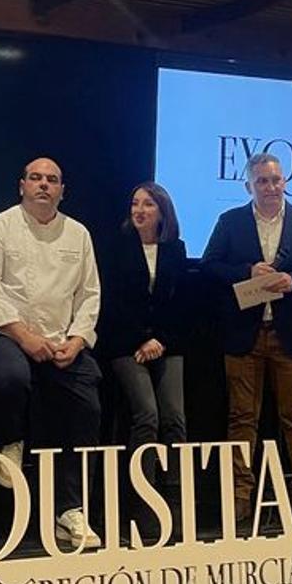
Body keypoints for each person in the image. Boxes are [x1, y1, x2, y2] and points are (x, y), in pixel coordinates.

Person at [0, 157, 102, 548]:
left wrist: (77, 339)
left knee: (88, 400)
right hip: (5, 334)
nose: (44, 185)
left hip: (61, 339)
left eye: (53, 180)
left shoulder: (78, 234)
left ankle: (70, 510)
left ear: (63, 190)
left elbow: (90, 294)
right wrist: (23, 335)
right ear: (22, 185)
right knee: (12, 377)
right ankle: (10, 442)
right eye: (36, 178)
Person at [201, 152, 292, 530]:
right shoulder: (230, 221)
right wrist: (247, 271)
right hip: (244, 334)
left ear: (285, 182)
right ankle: (240, 496)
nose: (271, 187)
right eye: (262, 181)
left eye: (276, 180)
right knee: (242, 418)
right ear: (249, 186)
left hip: (291, 336)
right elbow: (209, 265)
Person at [97, 182, 187, 529]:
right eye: (135, 203)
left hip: (166, 343)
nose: (139, 210)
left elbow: (180, 305)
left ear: (162, 212)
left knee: (175, 417)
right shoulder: (116, 248)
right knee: (147, 414)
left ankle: (175, 495)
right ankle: (142, 497)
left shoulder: (176, 250)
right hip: (125, 344)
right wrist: (140, 340)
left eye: (148, 204)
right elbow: (113, 304)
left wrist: (160, 340)